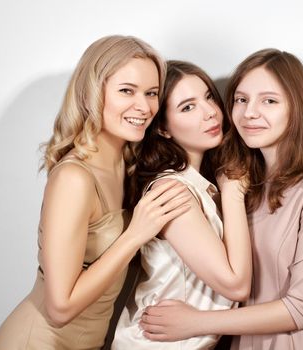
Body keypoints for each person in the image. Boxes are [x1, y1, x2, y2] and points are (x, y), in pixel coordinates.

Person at [137, 49, 303, 350]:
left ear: (297, 107)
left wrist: (196, 321)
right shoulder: (236, 187)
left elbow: (302, 308)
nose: (250, 112)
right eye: (241, 100)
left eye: (269, 101)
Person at [0, 35, 192, 350]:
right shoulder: (75, 178)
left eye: (151, 93)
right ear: (91, 93)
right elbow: (60, 308)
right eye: (127, 91)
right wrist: (135, 234)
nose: (144, 107)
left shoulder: (127, 165)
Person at [111, 60, 252, 350]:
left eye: (209, 97)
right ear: (162, 128)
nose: (210, 112)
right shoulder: (172, 190)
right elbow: (236, 285)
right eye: (188, 107)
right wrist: (234, 192)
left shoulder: (200, 184)